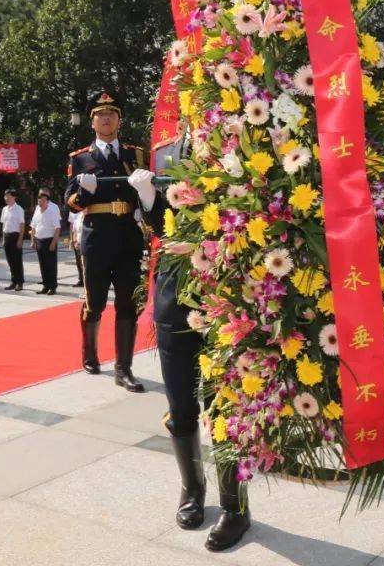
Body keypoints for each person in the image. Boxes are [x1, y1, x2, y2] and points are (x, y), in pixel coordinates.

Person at [131, 141, 252, 551]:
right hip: (174, 294)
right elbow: (163, 225)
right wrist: (149, 201)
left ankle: (235, 507)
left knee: (225, 407)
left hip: (225, 295)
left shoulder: (239, 138)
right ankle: (192, 489)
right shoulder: (165, 153)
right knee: (181, 403)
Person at [64, 90, 147, 394]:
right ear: (92, 122)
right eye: (100, 114)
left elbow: (147, 193)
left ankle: (123, 369)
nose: (106, 118)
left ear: (119, 120)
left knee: (128, 302)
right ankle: (89, 354)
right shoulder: (80, 158)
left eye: (111, 113)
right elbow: (70, 203)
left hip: (128, 237)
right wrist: (83, 193)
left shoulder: (135, 154)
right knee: (95, 301)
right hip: (96, 238)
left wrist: (145, 199)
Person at [29, 188, 61, 294]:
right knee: (42, 264)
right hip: (39, 240)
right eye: (39, 201)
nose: (40, 203)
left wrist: (53, 243)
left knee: (51, 265)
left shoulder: (52, 210)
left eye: (43, 201)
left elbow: (57, 228)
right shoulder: (37, 210)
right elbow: (33, 226)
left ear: (47, 201)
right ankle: (45, 285)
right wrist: (33, 240)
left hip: (49, 240)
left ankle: (52, 286)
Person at [0, 188, 25, 291]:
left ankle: (20, 282)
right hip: (7, 236)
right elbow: (4, 225)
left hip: (15, 236)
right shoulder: (4, 209)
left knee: (17, 261)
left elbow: (22, 225)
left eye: (8, 196)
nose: (6, 198)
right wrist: (3, 238)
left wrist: (20, 239)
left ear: (14, 197)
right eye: (5, 196)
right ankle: (13, 281)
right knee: (10, 261)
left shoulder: (19, 209)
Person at [69, 209, 85, 287]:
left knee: (86, 264)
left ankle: (87, 281)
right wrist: (74, 240)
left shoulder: (88, 214)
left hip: (86, 243)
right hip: (78, 243)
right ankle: (81, 280)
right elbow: (74, 229)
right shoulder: (77, 215)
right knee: (79, 262)